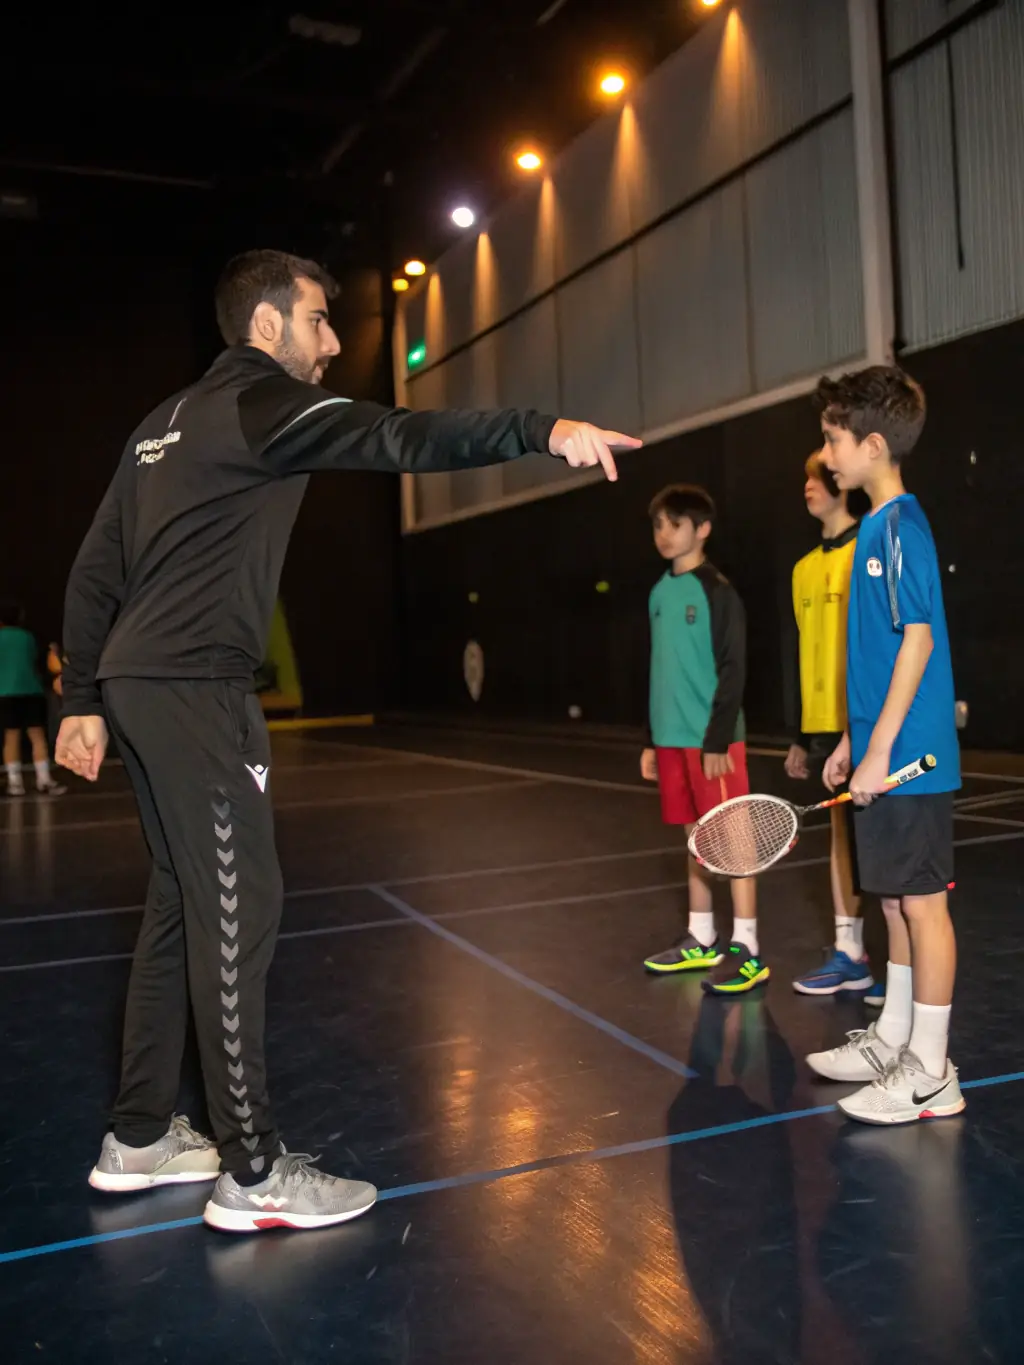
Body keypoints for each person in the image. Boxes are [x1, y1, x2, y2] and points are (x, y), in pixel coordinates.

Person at [56, 248, 641, 1234]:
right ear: (268, 325)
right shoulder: (264, 405)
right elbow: (403, 437)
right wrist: (547, 428)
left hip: (140, 681)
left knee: (178, 903)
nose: (331, 343)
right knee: (242, 909)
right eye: (320, 321)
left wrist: (81, 694)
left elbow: (93, 568)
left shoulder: (160, 425)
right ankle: (251, 1174)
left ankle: (141, 1135)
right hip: (194, 686)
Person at [805, 365, 963, 1124]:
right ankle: (895, 1036)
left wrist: (880, 751)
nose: (826, 453)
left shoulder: (900, 525)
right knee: (896, 901)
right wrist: (848, 738)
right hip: (880, 747)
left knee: (923, 904)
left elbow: (918, 642)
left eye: (833, 439)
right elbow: (875, 654)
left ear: (872, 444)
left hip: (911, 756)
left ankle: (932, 1067)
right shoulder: (873, 526)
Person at [641, 485, 768, 995]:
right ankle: (701, 935)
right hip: (671, 741)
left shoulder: (717, 591)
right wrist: (652, 739)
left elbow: (735, 670)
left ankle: (749, 948)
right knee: (695, 840)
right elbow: (658, 671)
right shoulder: (657, 593)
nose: (665, 534)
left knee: (732, 845)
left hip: (713, 744)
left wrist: (716, 740)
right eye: (658, 526)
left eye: (675, 524)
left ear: (703, 529)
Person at [787, 451, 882, 1003]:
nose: (807, 487)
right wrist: (801, 735)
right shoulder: (802, 568)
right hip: (825, 727)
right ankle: (851, 954)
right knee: (842, 841)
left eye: (816, 478)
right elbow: (802, 652)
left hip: (866, 722)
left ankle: (891, 967)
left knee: (877, 844)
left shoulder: (866, 549)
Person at [0, 603, 65, 796]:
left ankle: (15, 783)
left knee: (11, 737)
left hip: (6, 693)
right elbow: (36, 659)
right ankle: (44, 780)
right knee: (37, 736)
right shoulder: (27, 637)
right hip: (32, 691)